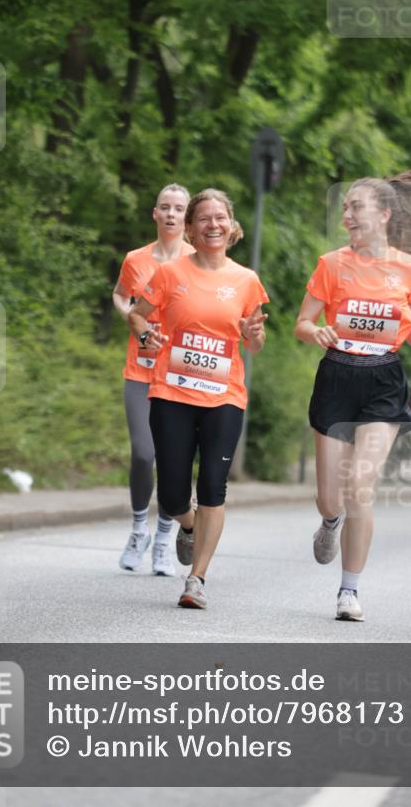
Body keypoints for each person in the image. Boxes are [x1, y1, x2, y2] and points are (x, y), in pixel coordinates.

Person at [295, 169, 411, 622]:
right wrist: (315, 331)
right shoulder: (331, 264)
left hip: (383, 381)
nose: (348, 214)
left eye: (356, 207)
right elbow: (301, 323)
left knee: (361, 487)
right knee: (330, 497)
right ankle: (330, 521)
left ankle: (348, 591)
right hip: (337, 375)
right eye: (346, 208)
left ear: (384, 214)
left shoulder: (410, 269)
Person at [128, 188, 268, 609]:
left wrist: (254, 337)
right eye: (203, 218)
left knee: (212, 486)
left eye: (220, 217)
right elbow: (137, 313)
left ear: (232, 225)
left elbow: (255, 343)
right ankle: (186, 526)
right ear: (190, 228)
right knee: (171, 496)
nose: (213, 225)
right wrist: (143, 332)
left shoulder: (246, 280)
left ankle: (197, 578)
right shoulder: (171, 274)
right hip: (171, 390)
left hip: (224, 396)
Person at [113, 184, 192, 576]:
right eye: (166, 207)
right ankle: (138, 529)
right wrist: (133, 319)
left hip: (181, 374)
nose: (172, 214)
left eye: (180, 208)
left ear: (187, 217)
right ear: (155, 214)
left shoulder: (200, 261)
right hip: (141, 367)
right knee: (144, 453)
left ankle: (163, 538)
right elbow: (121, 296)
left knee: (173, 458)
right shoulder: (136, 259)